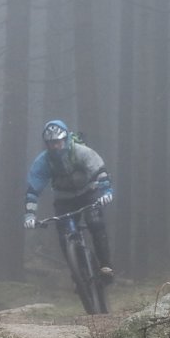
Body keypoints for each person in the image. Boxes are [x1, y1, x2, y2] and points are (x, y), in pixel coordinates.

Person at [23, 119, 114, 279]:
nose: (55, 146)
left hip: (88, 193)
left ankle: (105, 266)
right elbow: (33, 190)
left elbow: (99, 170)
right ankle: (77, 274)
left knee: (95, 222)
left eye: (58, 142)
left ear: (65, 139)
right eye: (51, 143)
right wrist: (30, 215)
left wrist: (106, 192)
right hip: (64, 199)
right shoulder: (43, 161)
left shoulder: (81, 152)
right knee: (64, 234)